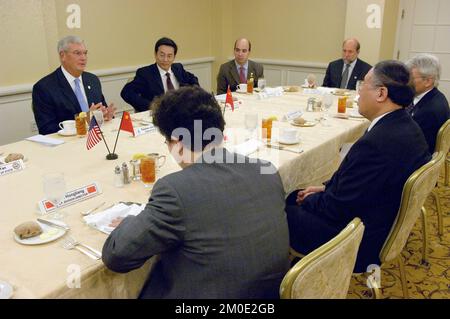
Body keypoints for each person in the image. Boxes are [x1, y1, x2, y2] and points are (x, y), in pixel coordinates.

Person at [102, 86, 289, 298]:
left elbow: (117, 256)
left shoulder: (175, 191)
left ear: (178, 143)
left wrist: (131, 220)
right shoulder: (266, 170)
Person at [286, 60, 431, 272]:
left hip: (360, 239)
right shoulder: (406, 126)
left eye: (363, 84)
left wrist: (311, 199)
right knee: (299, 194)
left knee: (283, 206)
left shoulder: (377, 142)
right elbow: (361, 183)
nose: (358, 92)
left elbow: (336, 208)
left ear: (381, 94)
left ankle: (284, 277)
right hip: (380, 219)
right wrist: (325, 188)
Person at [32, 35, 115, 135]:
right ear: (63, 56)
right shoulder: (44, 88)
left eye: (85, 53)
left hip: (97, 137)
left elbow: (99, 110)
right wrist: (85, 120)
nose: (83, 58)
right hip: (67, 145)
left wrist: (105, 115)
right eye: (77, 53)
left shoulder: (92, 80)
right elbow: (46, 129)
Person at [121, 37, 199, 113]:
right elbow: (126, 92)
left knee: (200, 121)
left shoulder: (178, 68)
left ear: (174, 57)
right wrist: (152, 106)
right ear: (155, 54)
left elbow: (193, 79)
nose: (165, 60)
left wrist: (191, 98)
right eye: (162, 55)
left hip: (181, 113)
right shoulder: (145, 73)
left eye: (169, 56)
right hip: (160, 116)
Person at [406, 53, 450, 153]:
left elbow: (412, 145)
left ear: (428, 81)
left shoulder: (430, 111)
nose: (406, 82)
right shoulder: (433, 96)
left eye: (411, 78)